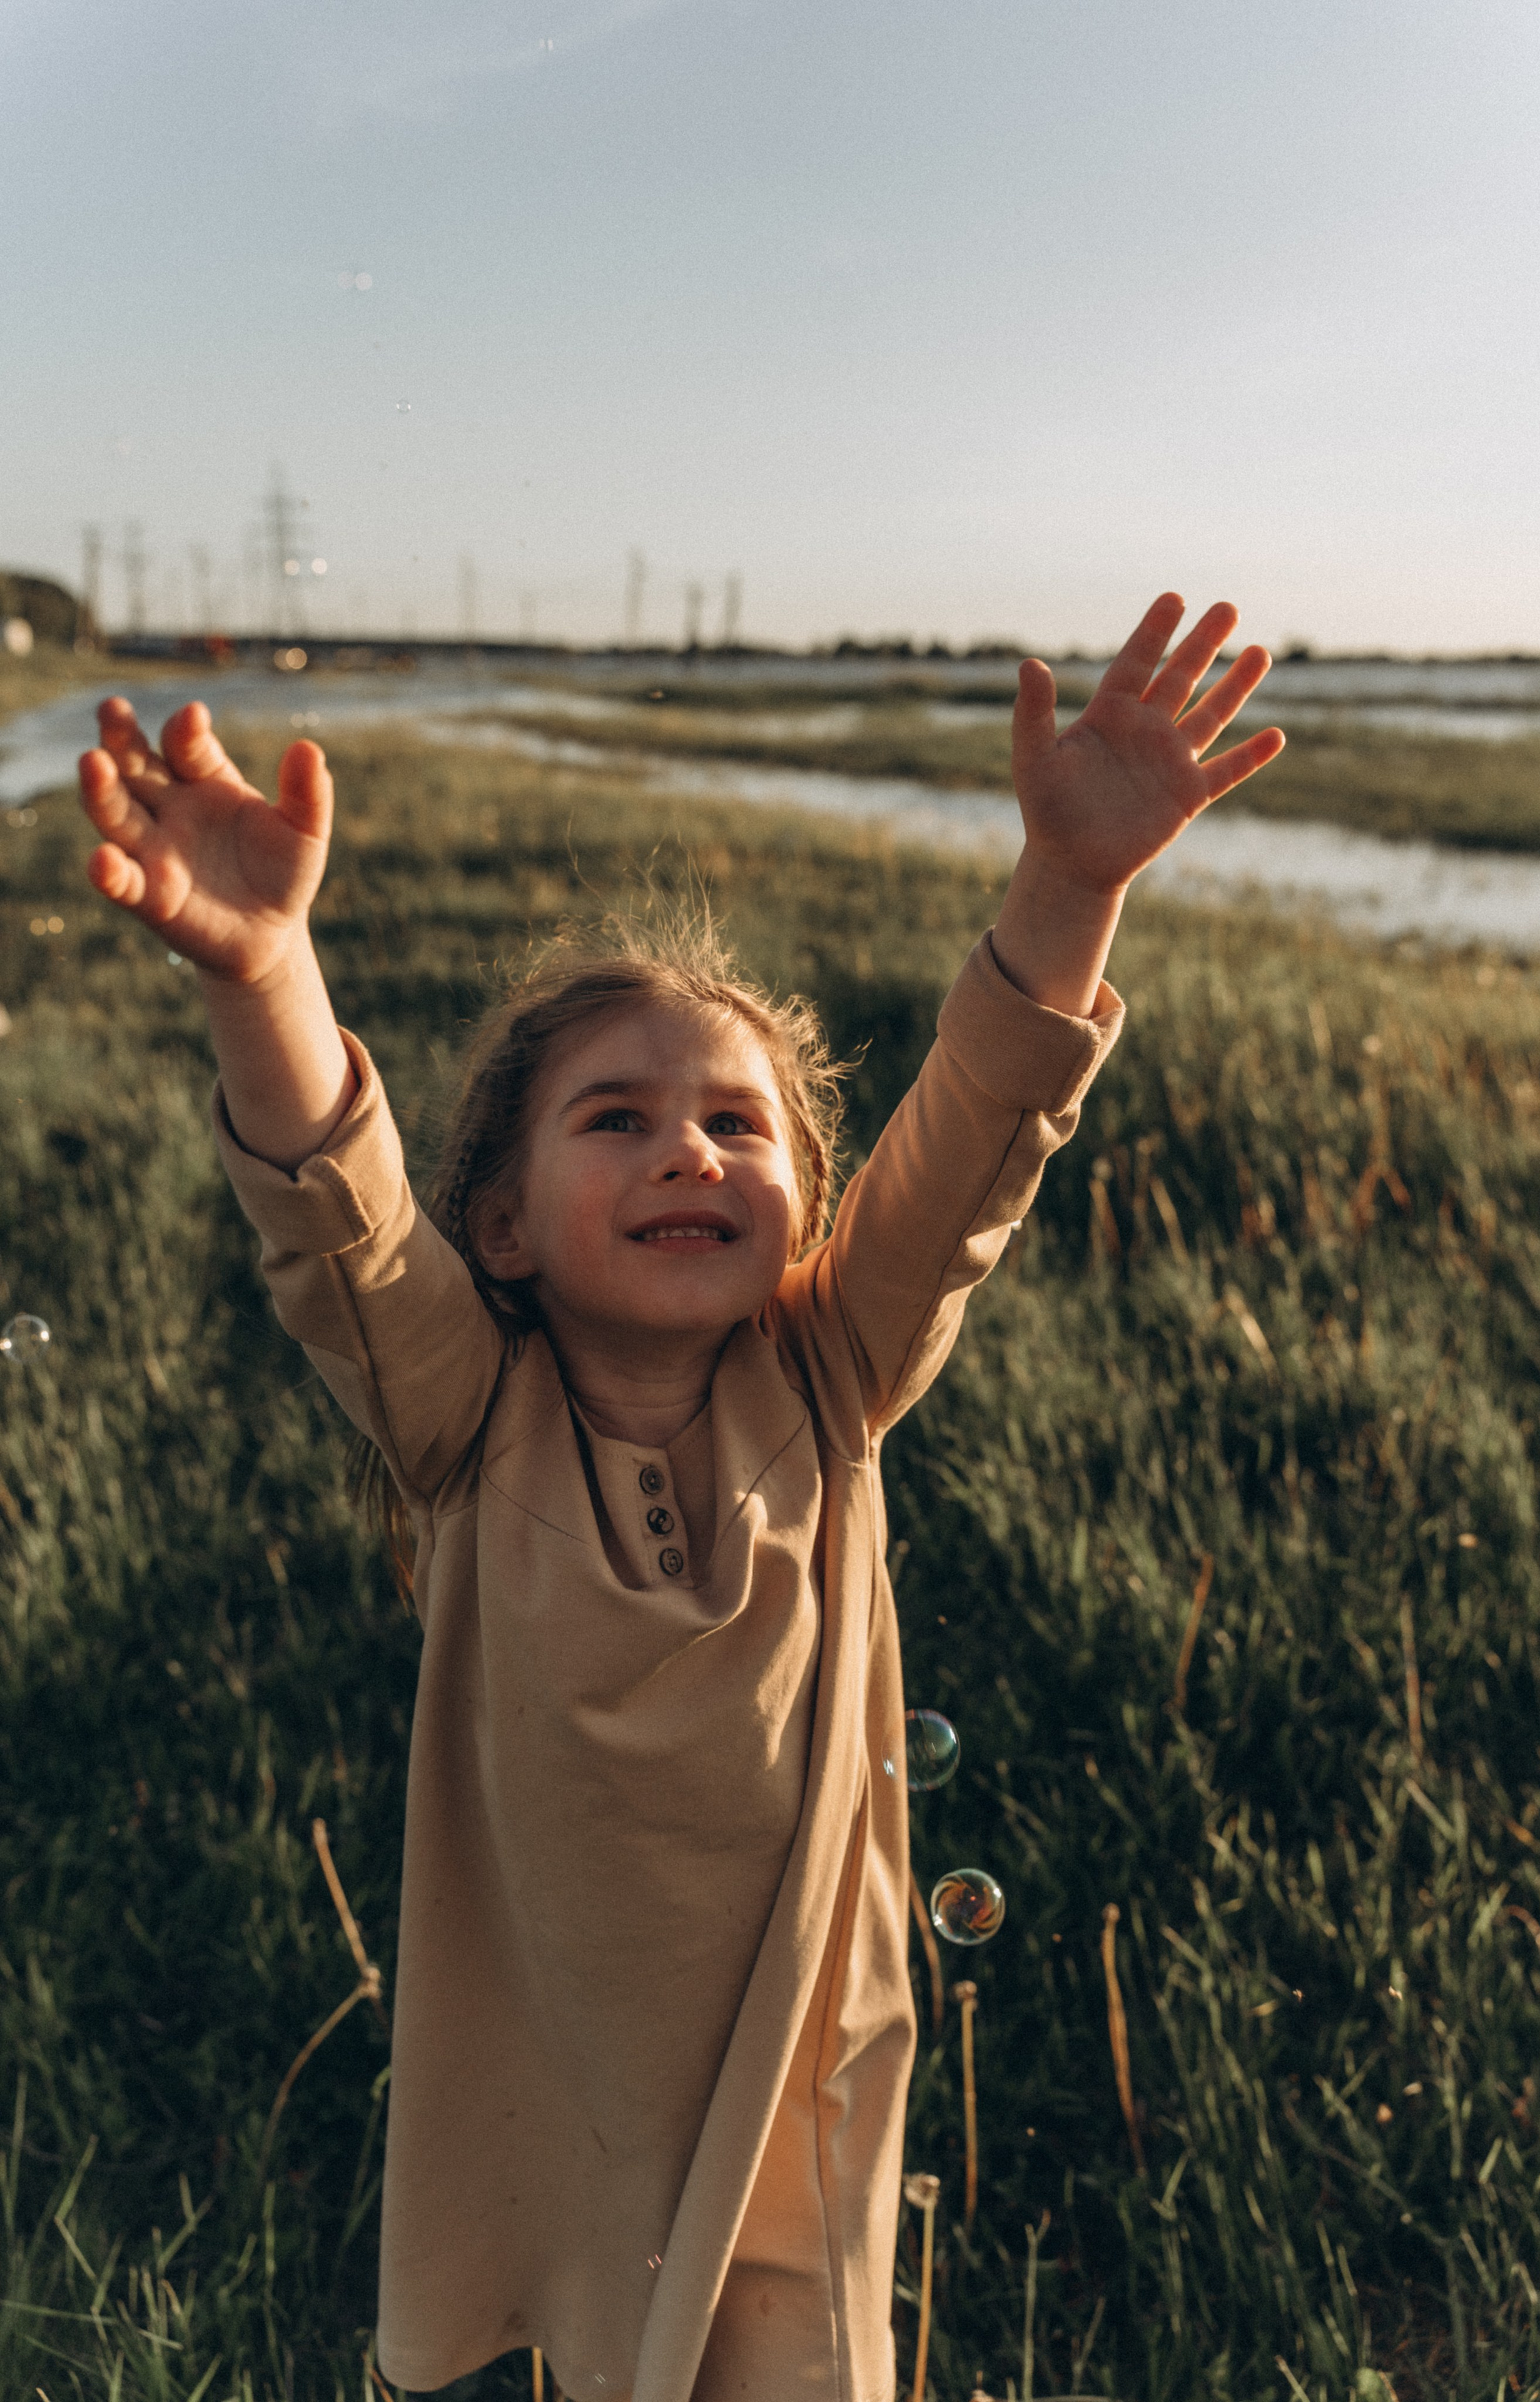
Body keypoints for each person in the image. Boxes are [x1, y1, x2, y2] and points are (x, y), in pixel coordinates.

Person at [78, 594, 1282, 2401]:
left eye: (738, 1123)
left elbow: (972, 1139)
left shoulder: (835, 1373)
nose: (689, 1150)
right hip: (557, 2067)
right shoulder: (465, 1416)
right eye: (617, 1120)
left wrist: (1074, 886)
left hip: (796, 2059)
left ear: (805, 1197)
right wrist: (264, 973)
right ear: (502, 1224)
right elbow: (335, 1212)